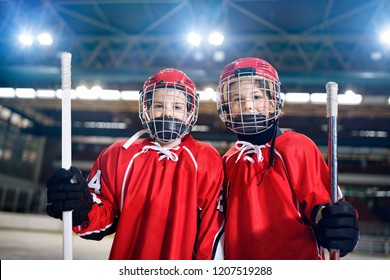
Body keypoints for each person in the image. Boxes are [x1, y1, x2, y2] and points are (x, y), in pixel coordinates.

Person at [46, 68, 224, 260]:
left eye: (177, 107)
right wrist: (80, 209)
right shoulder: (118, 154)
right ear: (146, 109)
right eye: (158, 105)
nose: (167, 113)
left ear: (190, 112)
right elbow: (101, 219)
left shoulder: (206, 158)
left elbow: (212, 231)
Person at [216, 57, 359, 259]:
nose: (248, 106)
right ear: (226, 108)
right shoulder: (228, 160)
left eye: (256, 97)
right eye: (238, 99)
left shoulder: (297, 146)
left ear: (273, 104)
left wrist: (333, 222)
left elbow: (321, 207)